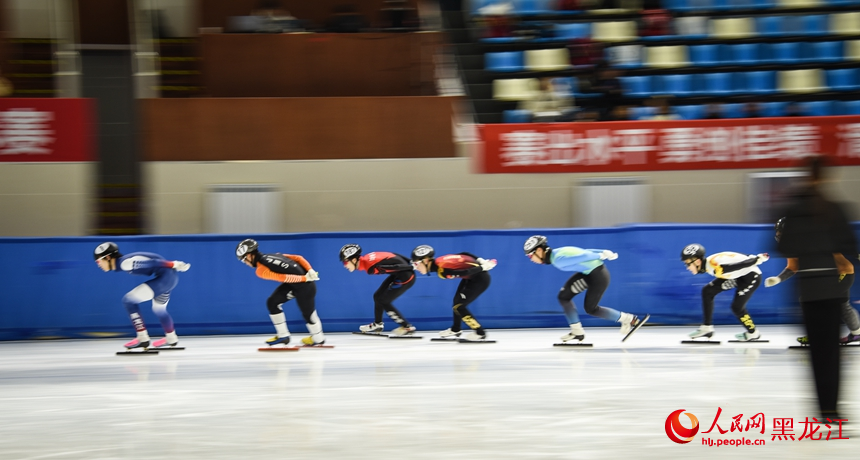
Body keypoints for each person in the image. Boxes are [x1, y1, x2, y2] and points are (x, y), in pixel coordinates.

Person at [776, 155, 859, 421]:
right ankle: (833, 410)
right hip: (831, 288)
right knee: (832, 353)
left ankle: (822, 410)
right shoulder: (834, 208)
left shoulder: (793, 208)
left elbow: (782, 247)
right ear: (825, 177)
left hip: (807, 290)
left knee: (816, 354)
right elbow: (849, 246)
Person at [524, 235, 649, 342]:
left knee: (591, 309)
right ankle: (577, 331)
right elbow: (584, 251)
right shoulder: (557, 253)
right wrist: (601, 251)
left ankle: (630, 320)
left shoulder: (558, 260)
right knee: (563, 297)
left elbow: (583, 256)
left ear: (539, 250)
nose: (531, 260)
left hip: (598, 277)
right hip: (588, 274)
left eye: (530, 256)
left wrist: (601, 255)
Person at [766, 217, 860, 345]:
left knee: (820, 302)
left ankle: (819, 335)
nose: (780, 236)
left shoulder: (816, 238)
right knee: (841, 305)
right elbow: (792, 267)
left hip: (840, 272)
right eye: (779, 233)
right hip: (824, 276)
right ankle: (856, 333)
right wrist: (778, 279)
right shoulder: (791, 246)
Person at [94, 242, 190, 349]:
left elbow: (153, 263)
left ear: (107, 257)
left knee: (128, 300)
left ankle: (142, 337)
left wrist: (174, 264)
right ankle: (171, 338)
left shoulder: (125, 263)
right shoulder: (124, 262)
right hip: (170, 279)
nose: (98, 265)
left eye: (98, 261)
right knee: (159, 309)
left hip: (164, 279)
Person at [236, 239, 325, 346]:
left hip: (305, 287)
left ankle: (318, 339)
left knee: (308, 315)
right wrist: (310, 270)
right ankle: (283, 336)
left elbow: (283, 277)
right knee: (272, 302)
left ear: (249, 256)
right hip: (299, 284)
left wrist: (305, 279)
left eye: (243, 260)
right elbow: (298, 258)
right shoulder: (273, 255)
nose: (245, 263)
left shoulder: (261, 270)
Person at [681, 244, 769, 341]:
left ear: (697, 261)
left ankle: (753, 333)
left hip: (751, 277)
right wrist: (751, 258)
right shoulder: (711, 263)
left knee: (737, 307)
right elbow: (736, 258)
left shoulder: (715, 268)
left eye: (688, 264)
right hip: (737, 275)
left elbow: (736, 265)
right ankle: (707, 328)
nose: (687, 267)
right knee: (707, 291)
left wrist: (756, 260)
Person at [410, 245, 497, 341]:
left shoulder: (442, 270)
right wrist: (481, 260)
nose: (416, 268)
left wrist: (483, 267)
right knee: (456, 302)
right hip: (472, 277)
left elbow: (465, 272)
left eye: (416, 264)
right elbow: (464, 253)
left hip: (480, 279)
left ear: (426, 261)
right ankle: (456, 329)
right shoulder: (440, 260)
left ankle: (480, 333)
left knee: (459, 306)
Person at [339, 244, 417, 335]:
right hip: (400, 274)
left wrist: (411, 266)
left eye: (345, 262)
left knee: (384, 301)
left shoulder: (370, 267)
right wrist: (409, 261)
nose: (345, 266)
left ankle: (407, 327)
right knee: (377, 296)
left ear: (354, 260)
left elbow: (395, 267)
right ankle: (378, 323)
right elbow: (393, 254)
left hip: (406, 277)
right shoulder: (368, 257)